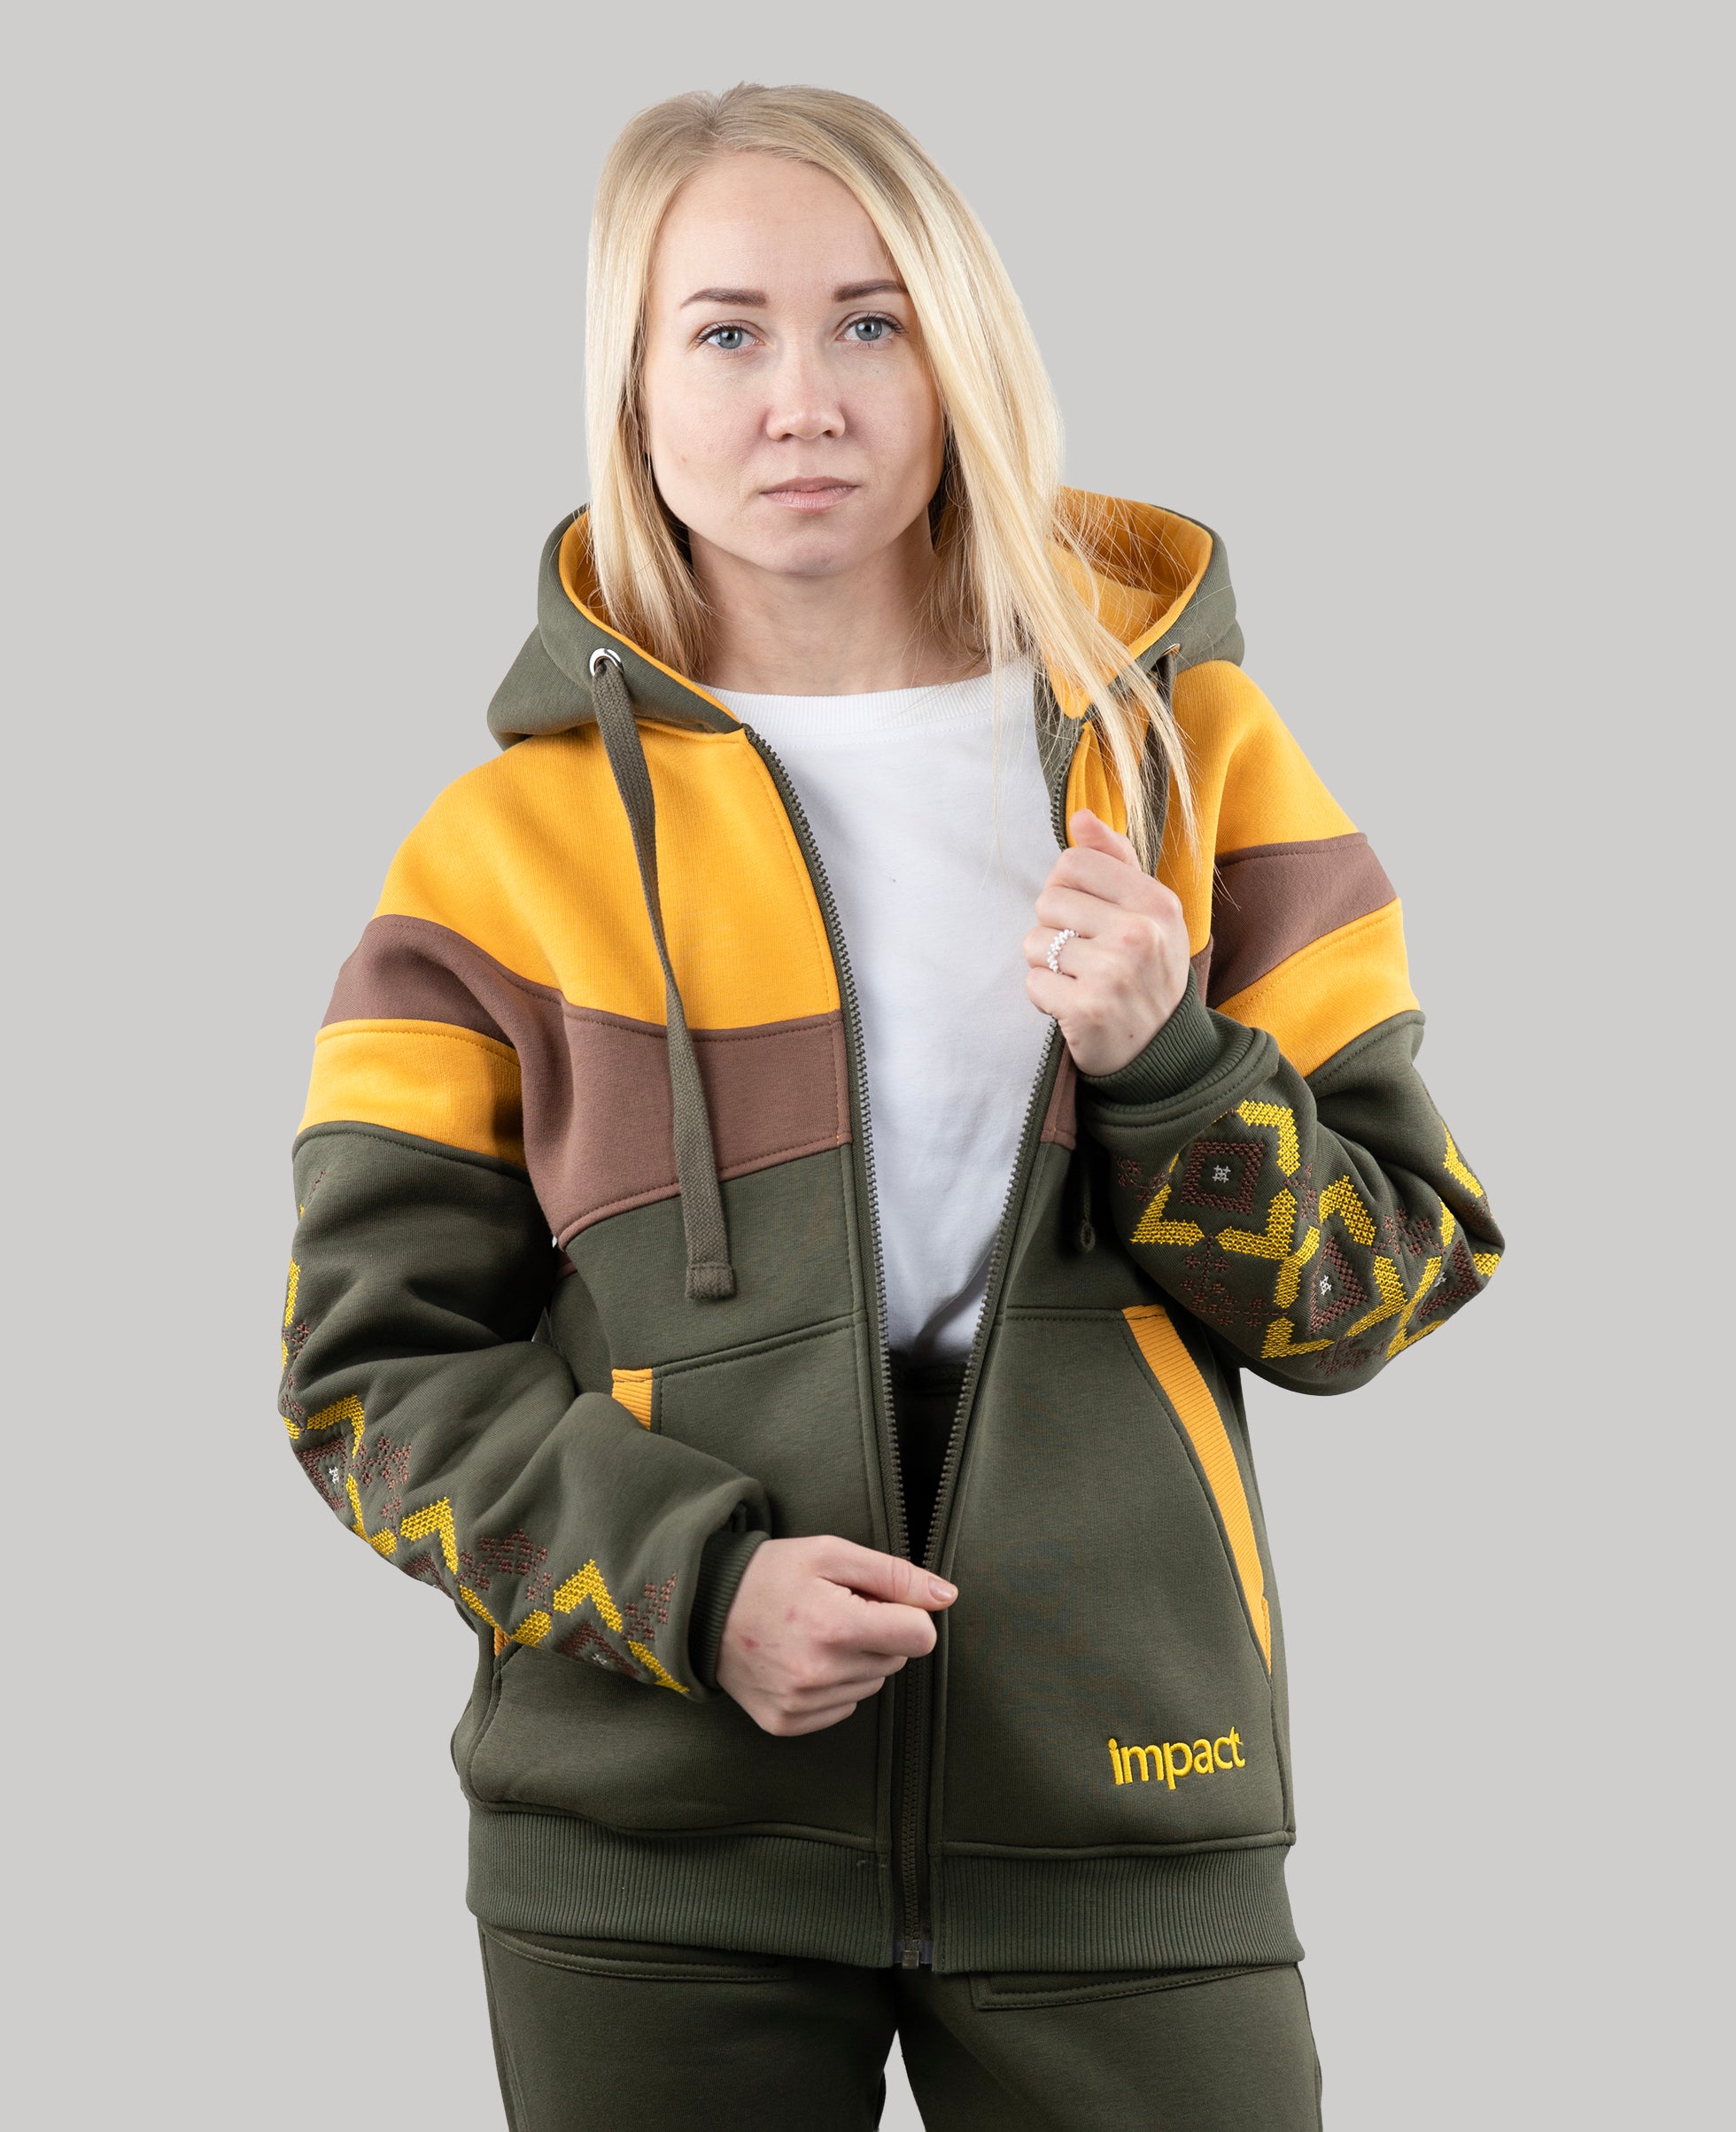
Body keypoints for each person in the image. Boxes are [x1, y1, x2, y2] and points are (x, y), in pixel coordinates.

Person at [278, 82, 1502, 2132]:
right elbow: (366, 1374)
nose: (804, 401)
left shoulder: (1185, 762)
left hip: (1122, 1806)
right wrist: (697, 1587)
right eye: (725, 331)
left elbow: (1375, 1289)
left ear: (960, 355)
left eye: (870, 322)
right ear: (632, 385)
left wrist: (1170, 1063)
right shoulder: (498, 855)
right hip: (648, 1845)